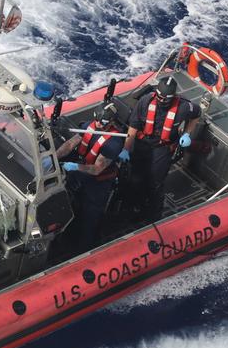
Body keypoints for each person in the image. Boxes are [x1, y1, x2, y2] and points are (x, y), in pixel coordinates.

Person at [123, 75, 200, 221]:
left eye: (165, 98)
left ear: (173, 97)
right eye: (159, 97)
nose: (161, 100)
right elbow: (133, 127)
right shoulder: (145, 102)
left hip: (162, 148)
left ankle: (153, 215)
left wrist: (187, 134)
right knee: (134, 178)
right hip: (142, 144)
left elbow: (196, 115)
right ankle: (132, 207)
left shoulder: (184, 107)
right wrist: (126, 148)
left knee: (155, 182)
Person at [55, 102, 130, 249]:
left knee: (90, 214)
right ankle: (67, 234)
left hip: (97, 182)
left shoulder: (113, 142)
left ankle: (85, 247)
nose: (98, 124)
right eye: (96, 120)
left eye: (102, 123)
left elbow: (97, 169)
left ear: (111, 123)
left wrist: (75, 167)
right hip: (80, 170)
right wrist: (54, 157)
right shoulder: (89, 126)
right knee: (70, 202)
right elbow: (70, 144)